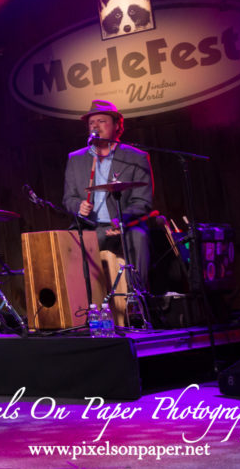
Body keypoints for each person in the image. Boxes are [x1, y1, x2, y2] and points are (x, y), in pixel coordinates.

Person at [63, 99, 154, 325]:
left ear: (116, 125)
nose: (95, 126)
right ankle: (81, 309)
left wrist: (120, 221)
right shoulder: (76, 159)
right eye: (92, 122)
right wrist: (78, 207)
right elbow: (69, 198)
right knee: (69, 245)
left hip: (125, 226)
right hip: (93, 228)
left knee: (139, 238)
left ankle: (136, 303)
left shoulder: (135, 157)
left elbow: (143, 201)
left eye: (102, 121)